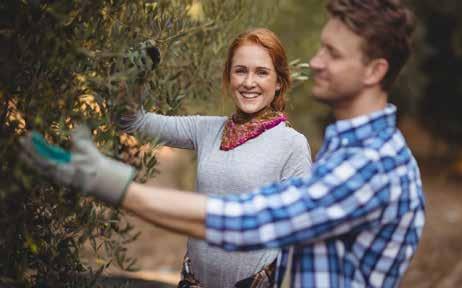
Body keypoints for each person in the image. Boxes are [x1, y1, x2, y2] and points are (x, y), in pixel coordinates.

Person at [20, 0, 425, 287]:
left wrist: (109, 183)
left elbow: (253, 221)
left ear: (374, 70)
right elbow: (134, 120)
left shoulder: (369, 164)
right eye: (321, 47)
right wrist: (129, 84)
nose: (316, 61)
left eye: (332, 54)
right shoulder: (347, 150)